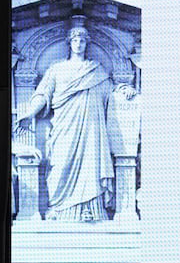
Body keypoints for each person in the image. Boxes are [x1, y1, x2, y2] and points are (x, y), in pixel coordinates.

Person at [16, 25, 115, 221]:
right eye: (75, 40)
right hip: (64, 127)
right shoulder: (57, 69)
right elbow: (43, 94)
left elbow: (111, 94)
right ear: (69, 43)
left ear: (87, 43)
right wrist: (29, 113)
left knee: (91, 165)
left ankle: (91, 209)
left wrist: (125, 91)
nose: (79, 44)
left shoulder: (95, 69)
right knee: (59, 164)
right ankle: (59, 209)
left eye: (83, 40)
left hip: (91, 129)